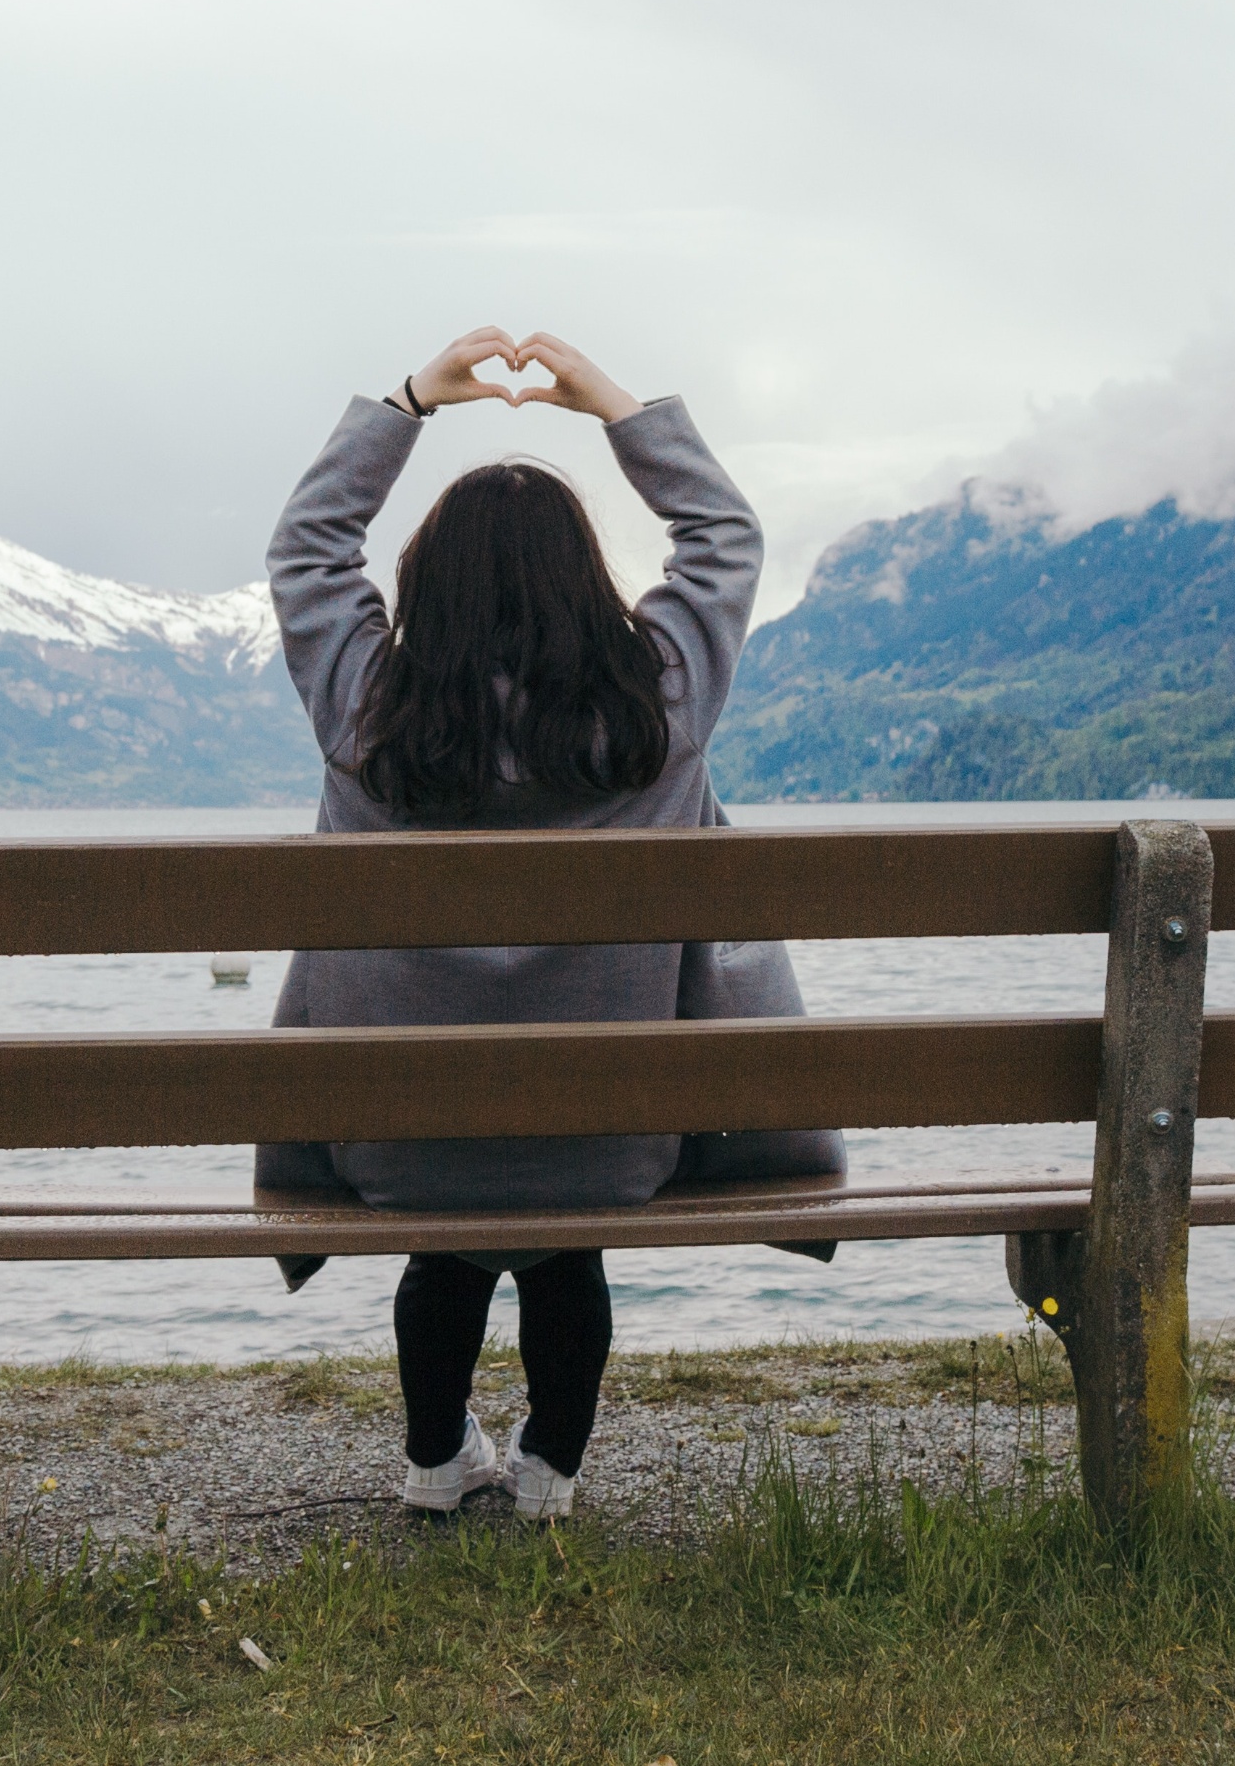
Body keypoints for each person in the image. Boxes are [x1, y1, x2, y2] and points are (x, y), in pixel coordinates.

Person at [256, 328, 843, 1521]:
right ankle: (548, 1475)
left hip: (398, 1150)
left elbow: (306, 550)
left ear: (423, 583)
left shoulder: (365, 712)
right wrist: (607, 405)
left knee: (447, 1244)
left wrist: (412, 399)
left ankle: (432, 1466)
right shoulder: (661, 706)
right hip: (614, 1147)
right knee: (566, 1248)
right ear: (588, 579)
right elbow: (724, 541)